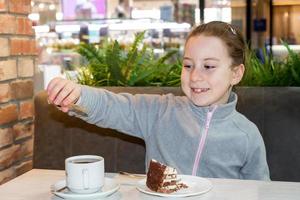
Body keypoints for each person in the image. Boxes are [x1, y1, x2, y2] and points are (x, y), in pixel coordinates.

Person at [47, 21, 270, 180]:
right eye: (188, 65)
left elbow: (262, 192)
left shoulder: (247, 135)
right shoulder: (160, 111)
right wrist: (77, 94)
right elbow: (112, 106)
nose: (195, 76)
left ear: (236, 73)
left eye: (209, 66)